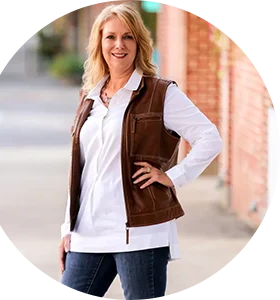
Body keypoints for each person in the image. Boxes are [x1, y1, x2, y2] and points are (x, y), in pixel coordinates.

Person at [59, 2, 223, 299]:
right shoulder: (90, 97)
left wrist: (172, 176)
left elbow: (209, 137)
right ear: (99, 42)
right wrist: (66, 227)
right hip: (87, 233)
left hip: (140, 234)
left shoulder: (161, 93)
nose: (118, 45)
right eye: (110, 37)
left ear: (139, 43)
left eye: (128, 36)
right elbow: (81, 169)